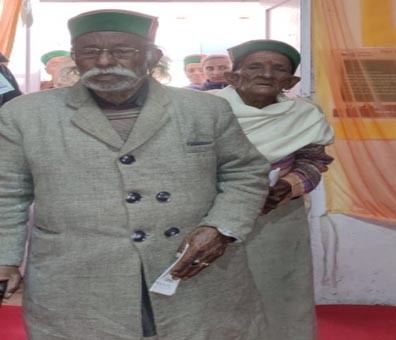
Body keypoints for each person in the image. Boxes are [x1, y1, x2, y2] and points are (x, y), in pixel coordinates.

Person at [0, 10, 271, 340]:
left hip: (188, 270)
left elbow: (245, 171)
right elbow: (7, 191)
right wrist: (5, 258)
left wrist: (221, 227)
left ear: (152, 56)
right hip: (77, 277)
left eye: (121, 50)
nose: (104, 60)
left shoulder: (203, 109)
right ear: (74, 58)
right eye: (89, 52)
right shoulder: (26, 115)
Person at [214, 39, 335, 340]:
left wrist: (288, 186)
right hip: (209, 218)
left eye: (278, 69)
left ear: (290, 81)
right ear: (233, 76)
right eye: (255, 66)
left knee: (280, 299)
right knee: (212, 299)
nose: (267, 74)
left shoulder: (304, 115)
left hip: (277, 221)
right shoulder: (206, 111)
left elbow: (314, 161)